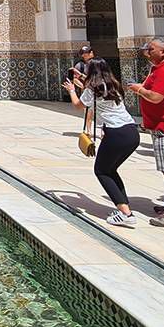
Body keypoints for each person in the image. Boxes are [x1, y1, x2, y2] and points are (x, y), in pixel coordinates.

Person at [63, 58, 140, 228]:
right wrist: (81, 76)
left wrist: (71, 90)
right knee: (110, 170)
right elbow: (96, 84)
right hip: (131, 132)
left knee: (101, 171)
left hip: (116, 134)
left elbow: (78, 105)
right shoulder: (113, 85)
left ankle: (126, 214)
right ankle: (124, 208)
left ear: (91, 72)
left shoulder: (92, 89)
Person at [128, 38, 164, 227]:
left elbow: (155, 97)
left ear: (163, 52)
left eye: (151, 48)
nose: (147, 51)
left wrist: (139, 89)